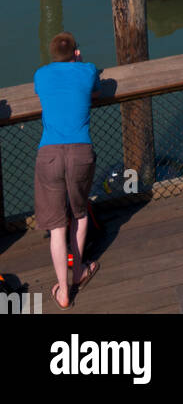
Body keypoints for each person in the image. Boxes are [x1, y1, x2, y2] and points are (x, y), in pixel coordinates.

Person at [33, 32, 101, 310]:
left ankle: (63, 291)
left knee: (57, 227)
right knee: (80, 213)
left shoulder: (41, 75)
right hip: (80, 153)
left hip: (49, 155)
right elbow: (95, 89)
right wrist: (80, 62)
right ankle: (79, 272)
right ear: (76, 53)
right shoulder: (87, 70)